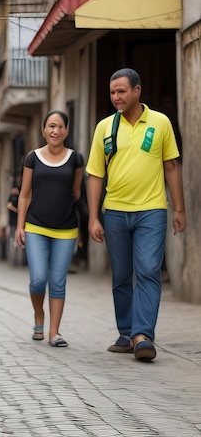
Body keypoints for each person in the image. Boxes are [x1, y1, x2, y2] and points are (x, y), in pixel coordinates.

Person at [86, 68, 186, 362]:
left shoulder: (160, 122)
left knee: (147, 270)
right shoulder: (104, 127)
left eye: (122, 91)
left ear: (137, 91)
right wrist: (93, 217)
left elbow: (171, 166)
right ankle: (127, 332)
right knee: (121, 276)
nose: (116, 97)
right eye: (113, 92)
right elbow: (95, 174)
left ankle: (143, 335)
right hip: (115, 212)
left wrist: (178, 208)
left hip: (152, 211)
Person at [15, 110, 83, 347]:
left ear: (66, 130)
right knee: (37, 280)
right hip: (35, 226)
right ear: (44, 130)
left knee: (57, 280)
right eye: (51, 126)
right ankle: (38, 315)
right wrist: (19, 226)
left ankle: (54, 332)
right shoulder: (32, 158)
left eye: (60, 127)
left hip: (66, 229)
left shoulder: (76, 159)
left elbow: (77, 193)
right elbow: (24, 195)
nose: (55, 131)